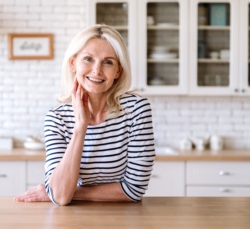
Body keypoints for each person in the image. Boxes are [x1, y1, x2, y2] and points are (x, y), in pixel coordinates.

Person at [15, 24, 155, 206]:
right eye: (88, 59)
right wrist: (80, 126)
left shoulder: (136, 110)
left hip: (124, 217)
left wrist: (64, 192)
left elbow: (134, 190)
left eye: (108, 62)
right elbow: (60, 197)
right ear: (73, 63)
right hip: (72, 220)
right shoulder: (57, 119)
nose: (97, 70)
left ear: (118, 71)